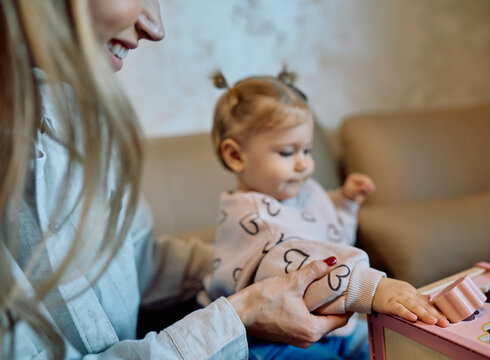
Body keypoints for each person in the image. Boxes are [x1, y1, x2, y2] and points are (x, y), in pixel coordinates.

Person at [0, 1, 353, 358]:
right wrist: (240, 315)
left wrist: (246, 264)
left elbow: (140, 263)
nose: (156, 27)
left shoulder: (82, 110)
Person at [203, 71, 450, 358]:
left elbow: (324, 234)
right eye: (286, 152)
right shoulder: (254, 218)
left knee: (389, 348)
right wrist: (373, 288)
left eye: (306, 150)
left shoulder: (298, 192)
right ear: (236, 156)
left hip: (330, 326)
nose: (303, 164)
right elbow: (299, 261)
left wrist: (343, 202)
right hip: (271, 341)